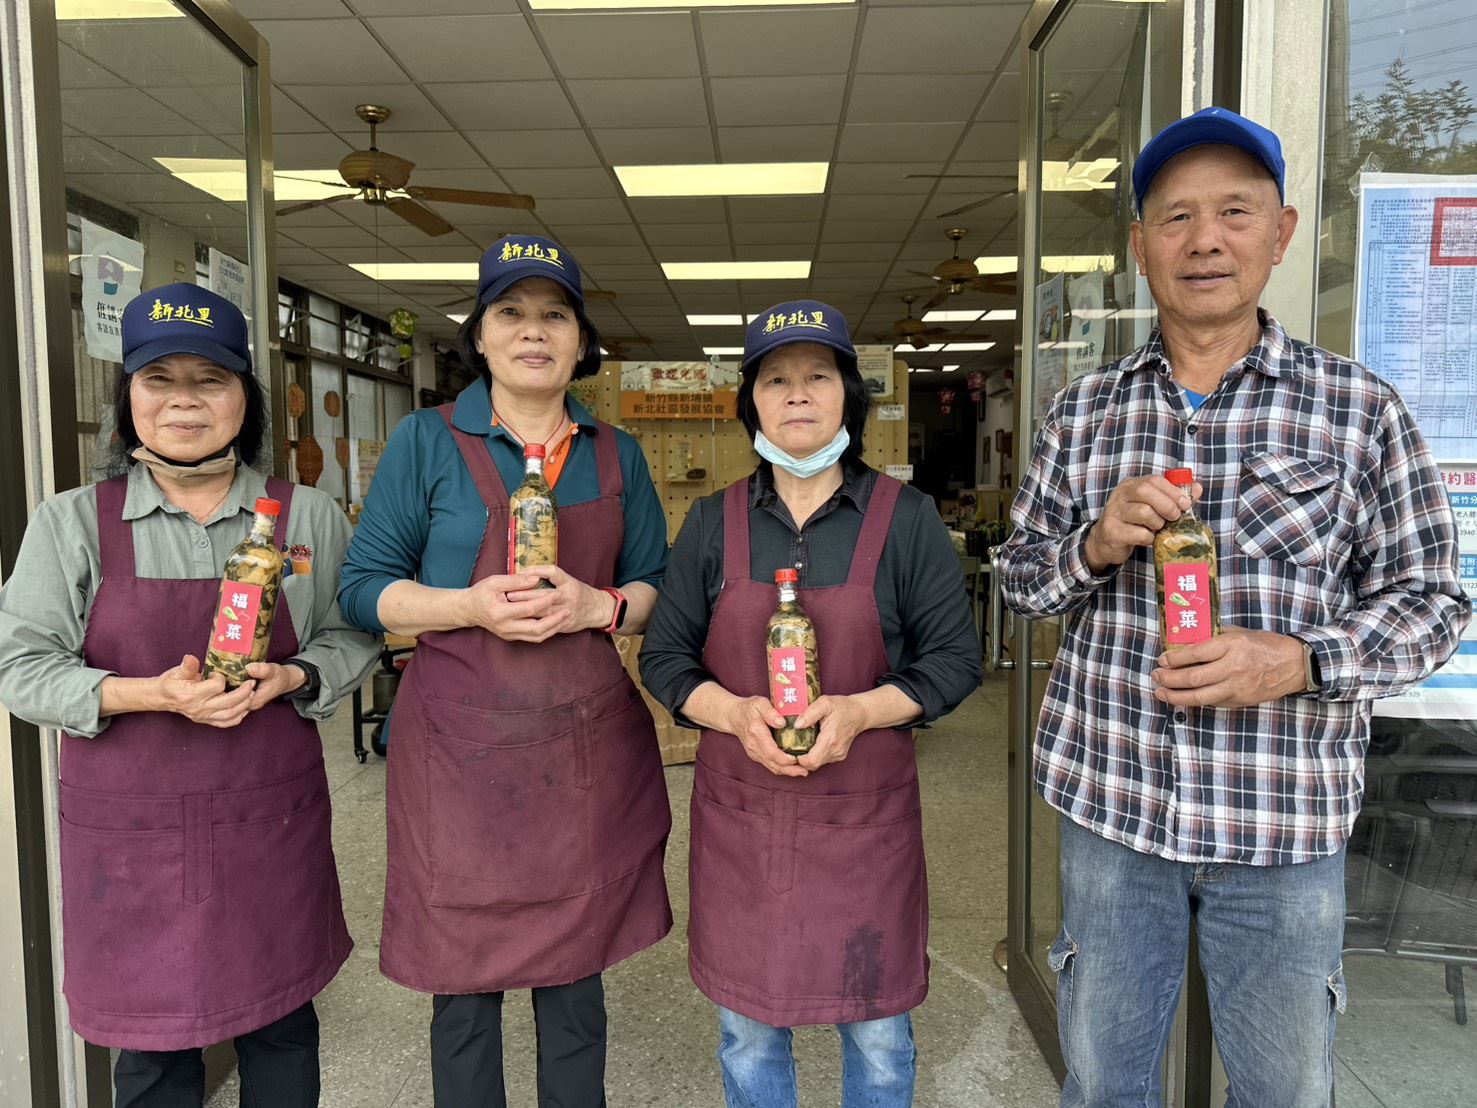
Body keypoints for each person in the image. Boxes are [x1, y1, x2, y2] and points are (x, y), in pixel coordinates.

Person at [999, 107, 1472, 1108]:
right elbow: (1023, 582)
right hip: (1112, 810)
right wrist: (1094, 542)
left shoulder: (1359, 409)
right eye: (1175, 217)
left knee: (1284, 1092)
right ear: (1140, 247)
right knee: (1104, 1084)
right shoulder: (1081, 413)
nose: (1203, 240)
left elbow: (1433, 600)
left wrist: (1299, 660)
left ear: (1281, 232)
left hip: (1280, 822)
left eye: (1233, 212)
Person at [0, 283, 379, 1107]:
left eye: (210, 379)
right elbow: (21, 668)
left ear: (245, 399)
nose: (184, 401)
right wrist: (149, 694)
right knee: (150, 1057)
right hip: (131, 842)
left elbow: (353, 634)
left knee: (283, 1032)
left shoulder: (306, 516)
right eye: (158, 379)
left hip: (268, 824)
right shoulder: (72, 523)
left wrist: (295, 676)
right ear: (127, 397)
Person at [338, 234, 672, 1107]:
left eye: (555, 315)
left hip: (581, 753)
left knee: (575, 984)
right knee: (462, 983)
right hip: (458, 756)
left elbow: (657, 589)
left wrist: (597, 607)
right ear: (480, 337)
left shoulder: (615, 453)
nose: (533, 331)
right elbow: (363, 589)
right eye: (511, 312)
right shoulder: (425, 440)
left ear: (579, 340)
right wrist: (468, 606)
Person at [639, 300, 981, 1108]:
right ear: (751, 403)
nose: (797, 394)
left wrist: (861, 712)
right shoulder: (712, 522)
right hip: (744, 824)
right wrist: (732, 714)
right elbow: (665, 656)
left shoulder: (905, 519)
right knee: (748, 1035)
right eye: (775, 379)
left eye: (817, 377)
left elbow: (954, 661)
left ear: (847, 398)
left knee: (879, 1037)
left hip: (865, 823)